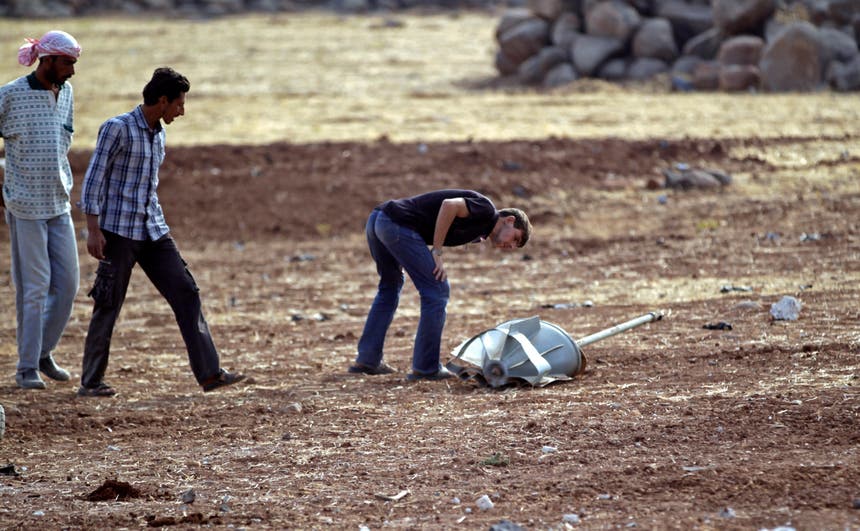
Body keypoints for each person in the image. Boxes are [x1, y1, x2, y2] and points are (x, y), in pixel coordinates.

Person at [76, 67, 245, 397]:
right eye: (179, 105)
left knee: (187, 292)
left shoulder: (159, 134)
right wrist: (93, 231)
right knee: (108, 303)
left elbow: (148, 188)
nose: (181, 112)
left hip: (153, 230)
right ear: (163, 100)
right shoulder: (117, 129)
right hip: (118, 232)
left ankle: (210, 374)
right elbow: (94, 181)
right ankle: (91, 382)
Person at [350, 189, 532, 381]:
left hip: (379, 219)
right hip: (396, 224)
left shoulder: (480, 230)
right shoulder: (487, 210)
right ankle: (426, 368)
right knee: (437, 291)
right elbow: (449, 205)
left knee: (390, 286)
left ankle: (367, 360)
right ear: (510, 220)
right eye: (515, 239)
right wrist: (436, 252)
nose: (511, 246)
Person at [0, 31, 82, 390]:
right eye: (67, 63)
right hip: (25, 205)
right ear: (46, 60)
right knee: (34, 288)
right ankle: (26, 367)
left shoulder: (66, 94)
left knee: (67, 286)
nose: (72, 71)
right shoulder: (10, 95)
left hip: (58, 202)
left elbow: (63, 141)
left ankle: (43, 352)